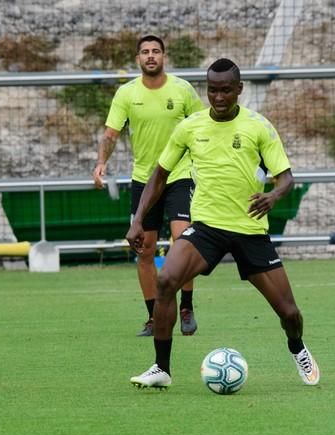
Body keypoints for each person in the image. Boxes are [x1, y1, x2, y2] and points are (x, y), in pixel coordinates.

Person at [127, 58, 320, 389]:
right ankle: (161, 368)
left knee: (289, 313)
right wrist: (138, 220)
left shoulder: (259, 126)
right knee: (165, 281)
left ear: (239, 90)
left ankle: (297, 347)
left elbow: (285, 178)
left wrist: (272, 198)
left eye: (226, 90)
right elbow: (159, 174)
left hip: (250, 230)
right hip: (207, 228)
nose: (218, 97)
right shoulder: (190, 127)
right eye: (212, 90)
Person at [93, 35, 205, 336]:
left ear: (164, 57)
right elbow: (110, 134)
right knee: (144, 251)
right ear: (138, 58)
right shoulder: (127, 94)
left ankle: (186, 306)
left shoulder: (183, 89)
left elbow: (201, 128)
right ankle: (155, 316)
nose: (151, 56)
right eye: (145, 52)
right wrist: (101, 162)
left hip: (180, 176)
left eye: (156, 51)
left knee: (185, 242)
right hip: (144, 180)